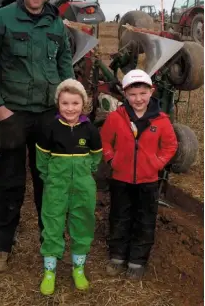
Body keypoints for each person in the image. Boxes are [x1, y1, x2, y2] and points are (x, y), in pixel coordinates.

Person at [0, 0, 75, 272]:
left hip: (49, 114)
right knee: (8, 180)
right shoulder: (1, 19)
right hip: (13, 114)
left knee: (49, 181)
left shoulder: (55, 23)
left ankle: (50, 239)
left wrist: (67, 100)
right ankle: (1, 245)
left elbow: (64, 62)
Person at [100, 69, 178, 280]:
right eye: (133, 94)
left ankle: (137, 260)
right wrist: (111, 159)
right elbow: (105, 140)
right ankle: (117, 255)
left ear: (151, 92)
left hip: (148, 180)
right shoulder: (116, 118)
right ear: (125, 95)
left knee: (144, 220)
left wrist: (158, 163)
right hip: (121, 179)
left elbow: (170, 145)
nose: (138, 99)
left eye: (143, 93)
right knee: (120, 216)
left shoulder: (161, 120)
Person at [35, 78, 103, 295]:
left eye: (75, 103)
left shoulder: (90, 130)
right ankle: (49, 271)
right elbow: (42, 159)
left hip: (83, 187)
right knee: (52, 224)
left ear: (83, 104)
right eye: (65, 103)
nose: (70, 108)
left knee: (83, 223)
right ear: (58, 104)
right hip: (56, 186)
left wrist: (84, 173)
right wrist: (52, 178)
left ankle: (78, 268)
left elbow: (96, 156)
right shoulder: (50, 128)